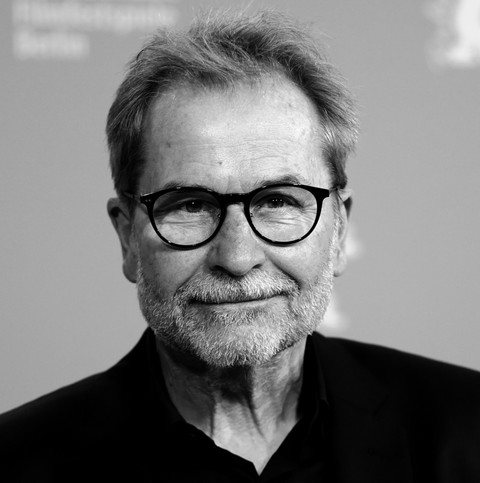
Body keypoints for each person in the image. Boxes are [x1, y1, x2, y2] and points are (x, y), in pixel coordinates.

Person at [1, 9, 479, 482]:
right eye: (191, 205)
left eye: (277, 201)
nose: (237, 258)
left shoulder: (468, 428)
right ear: (127, 236)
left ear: (338, 231)